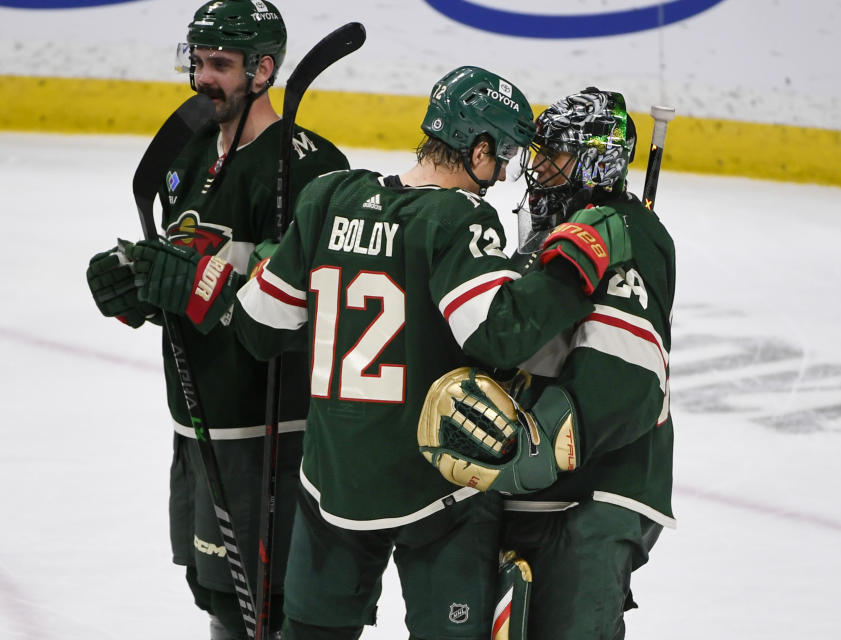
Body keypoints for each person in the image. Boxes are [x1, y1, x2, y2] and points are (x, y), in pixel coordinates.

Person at [124, 66, 632, 639]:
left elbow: (260, 328)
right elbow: (501, 336)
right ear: (479, 147)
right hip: (436, 486)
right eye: (504, 156)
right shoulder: (460, 219)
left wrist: (254, 267)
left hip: (331, 479)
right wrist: (572, 269)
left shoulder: (327, 197)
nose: (502, 175)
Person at [83, 1, 349, 638]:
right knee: (215, 596)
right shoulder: (190, 147)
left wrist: (199, 285)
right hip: (198, 411)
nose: (204, 78)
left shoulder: (308, 168)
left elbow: (309, 302)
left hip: (271, 429)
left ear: (263, 70)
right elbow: (188, 262)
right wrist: (140, 287)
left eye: (221, 65)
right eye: (198, 61)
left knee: (266, 606)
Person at [419, 88, 677, 640]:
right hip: (528, 490)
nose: (536, 168)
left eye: (553, 155)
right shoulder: (545, 234)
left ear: (596, 157)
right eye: (536, 154)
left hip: (597, 490)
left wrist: (541, 443)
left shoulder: (628, 229)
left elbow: (628, 368)